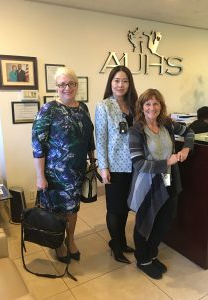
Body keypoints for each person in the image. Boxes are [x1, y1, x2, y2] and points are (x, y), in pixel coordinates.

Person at [127, 88, 194, 279]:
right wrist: (167, 162)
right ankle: (143, 259)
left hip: (169, 178)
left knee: (165, 220)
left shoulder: (168, 124)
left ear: (161, 106)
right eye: (147, 103)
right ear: (141, 107)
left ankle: (152, 253)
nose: (152, 107)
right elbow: (138, 163)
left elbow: (189, 132)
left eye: (156, 103)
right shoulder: (136, 130)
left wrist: (186, 150)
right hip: (148, 183)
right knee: (145, 222)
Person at [32, 67, 95, 264]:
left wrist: (92, 161)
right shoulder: (48, 109)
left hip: (76, 172)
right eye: (62, 84)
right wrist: (40, 176)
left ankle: (71, 240)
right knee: (57, 211)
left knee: (73, 210)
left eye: (71, 83)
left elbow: (88, 138)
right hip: (54, 174)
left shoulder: (83, 108)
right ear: (56, 87)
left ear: (77, 85)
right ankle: (58, 243)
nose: (67, 88)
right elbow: (37, 145)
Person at [95, 65, 138, 264]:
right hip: (114, 167)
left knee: (126, 207)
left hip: (135, 165)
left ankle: (121, 241)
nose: (120, 85)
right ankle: (116, 244)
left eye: (125, 81)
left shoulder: (135, 105)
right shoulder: (104, 106)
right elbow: (100, 139)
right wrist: (103, 167)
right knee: (115, 209)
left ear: (130, 84)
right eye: (116, 80)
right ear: (110, 83)